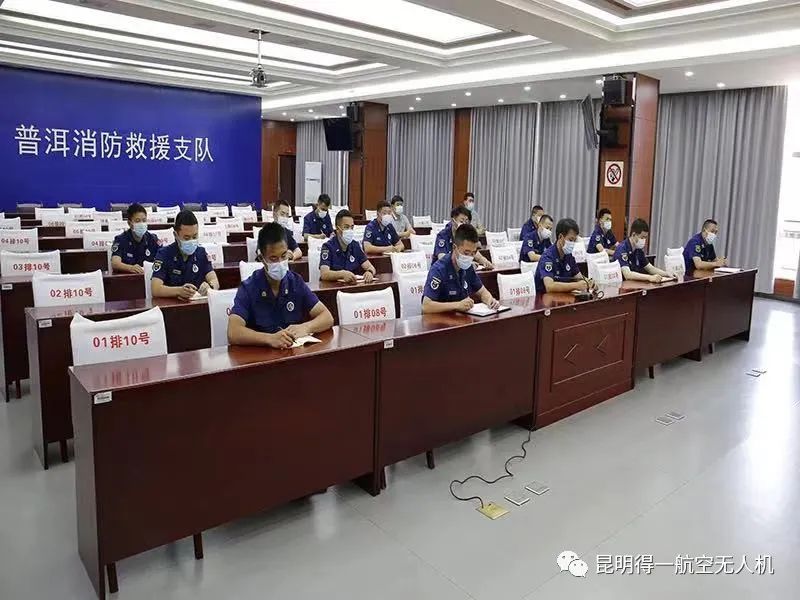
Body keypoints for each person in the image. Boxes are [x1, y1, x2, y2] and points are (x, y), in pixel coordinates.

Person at [228, 223, 334, 348]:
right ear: (262, 258)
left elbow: (327, 317)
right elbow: (233, 332)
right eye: (273, 258)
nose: (280, 262)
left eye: (283, 256)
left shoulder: (295, 282)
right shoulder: (249, 287)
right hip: (262, 355)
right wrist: (270, 339)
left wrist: (305, 327)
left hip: (293, 354)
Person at [422, 223, 500, 314]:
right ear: (455, 247)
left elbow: (482, 292)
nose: (469, 257)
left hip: (461, 318)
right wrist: (457, 305)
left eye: (473, 253)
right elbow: (426, 306)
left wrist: (490, 300)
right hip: (440, 319)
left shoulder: (468, 267)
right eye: (466, 253)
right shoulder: (439, 269)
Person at [151, 210, 219, 300]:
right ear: (176, 235)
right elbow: (155, 289)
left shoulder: (201, 253)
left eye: (194, 237)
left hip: (197, 303)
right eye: (186, 238)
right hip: (172, 305)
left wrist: (210, 287)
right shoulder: (164, 254)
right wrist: (179, 291)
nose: (191, 241)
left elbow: (214, 280)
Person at [534, 218, 596, 294]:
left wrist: (589, 282)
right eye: (570, 240)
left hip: (563, 296)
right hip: (543, 298)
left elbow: (579, 277)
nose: (573, 244)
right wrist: (576, 285)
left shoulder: (569, 256)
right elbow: (549, 286)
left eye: (574, 240)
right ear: (560, 237)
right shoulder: (547, 257)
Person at [320, 210, 376, 283]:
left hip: (353, 286)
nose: (350, 230)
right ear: (337, 229)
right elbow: (324, 274)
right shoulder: (328, 247)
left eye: (352, 227)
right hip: (334, 287)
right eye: (346, 227)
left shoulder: (355, 245)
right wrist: (342, 274)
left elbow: (370, 267)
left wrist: (370, 272)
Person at [110, 202, 161, 274]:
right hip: (128, 277)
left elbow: (164, 258)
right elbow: (115, 263)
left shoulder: (153, 239)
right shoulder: (120, 239)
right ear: (129, 223)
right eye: (137, 221)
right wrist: (130, 268)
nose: (141, 223)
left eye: (144, 220)